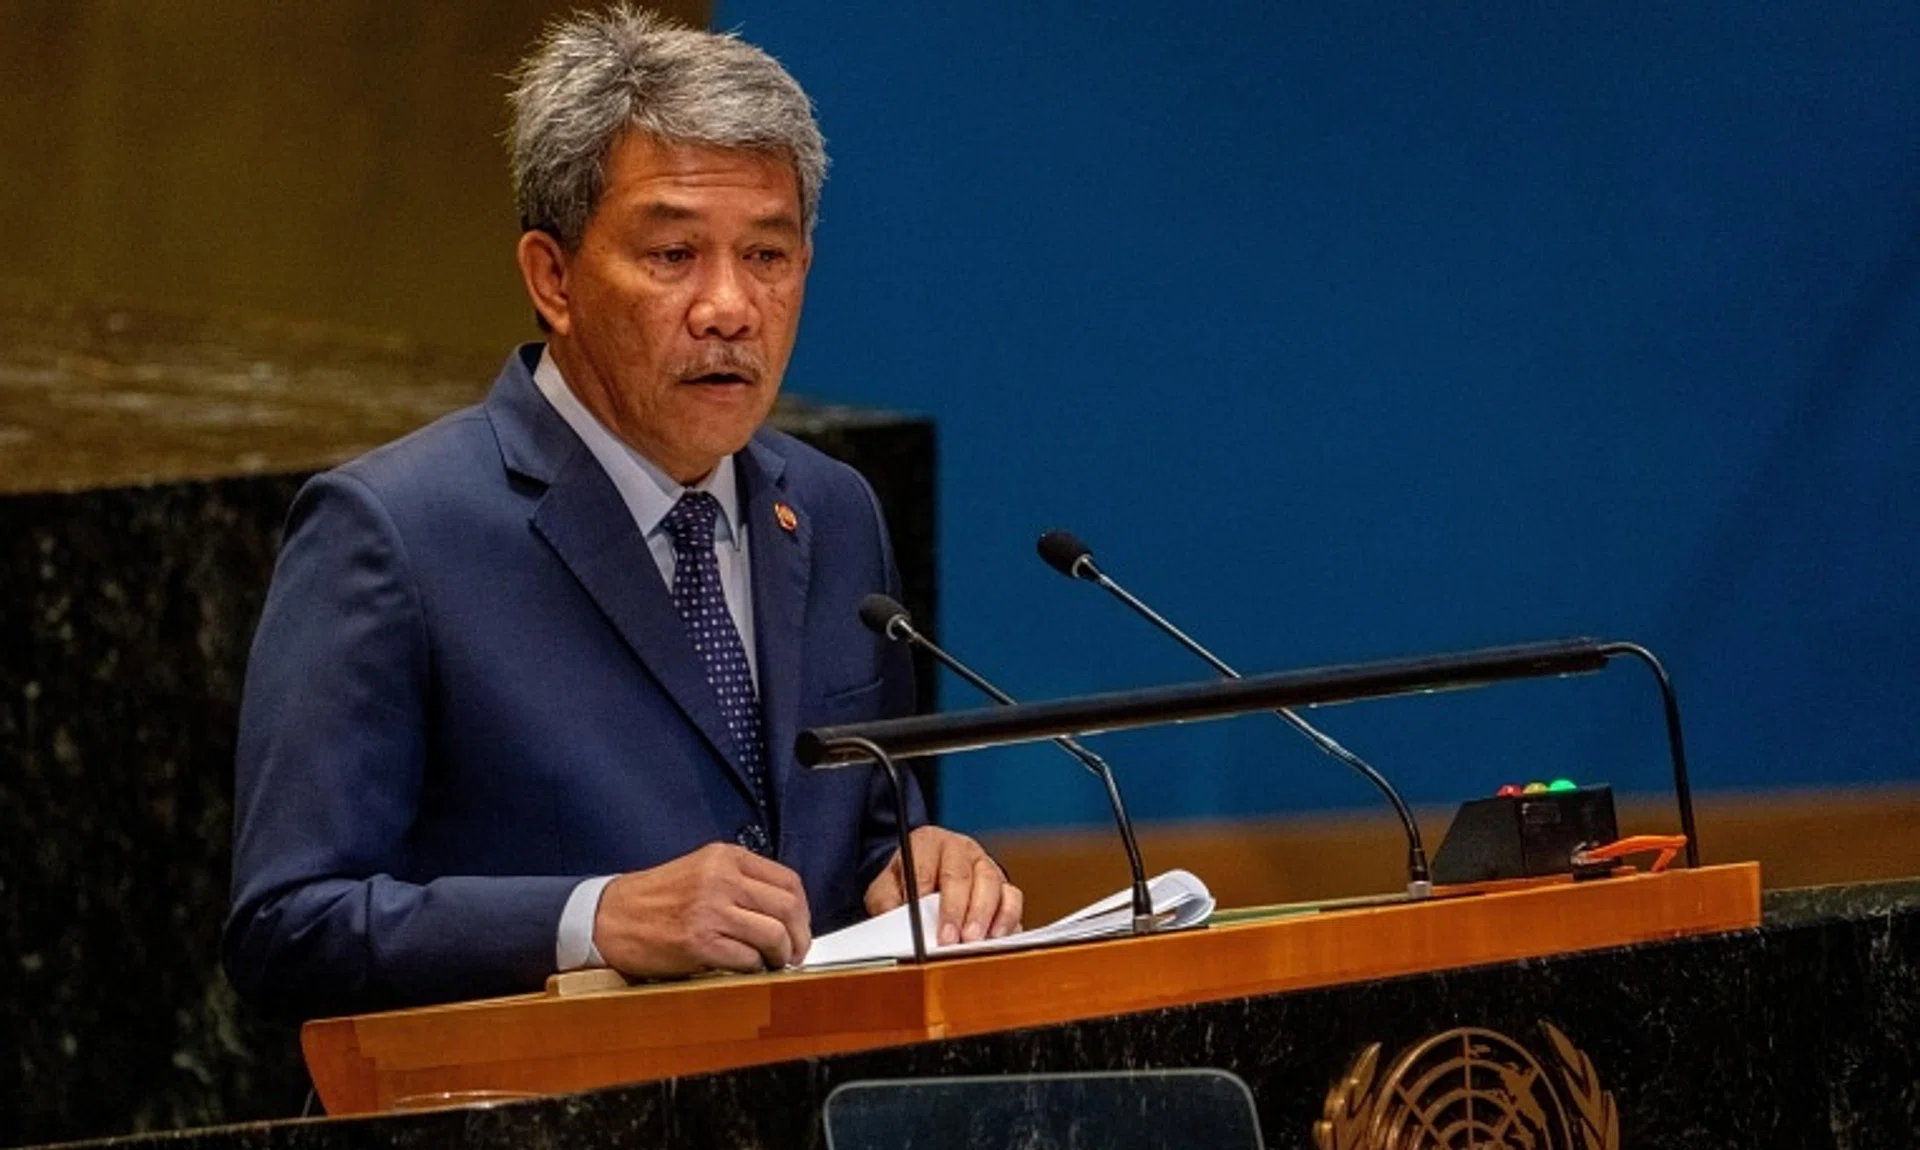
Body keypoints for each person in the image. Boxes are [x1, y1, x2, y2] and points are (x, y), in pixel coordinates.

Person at [223, 5, 1020, 1020]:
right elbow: (287, 927)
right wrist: (591, 919)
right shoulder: (394, 533)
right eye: (674, 255)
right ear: (552, 278)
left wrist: (918, 862)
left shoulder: (833, 511)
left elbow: (858, 832)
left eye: (767, 257)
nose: (730, 307)